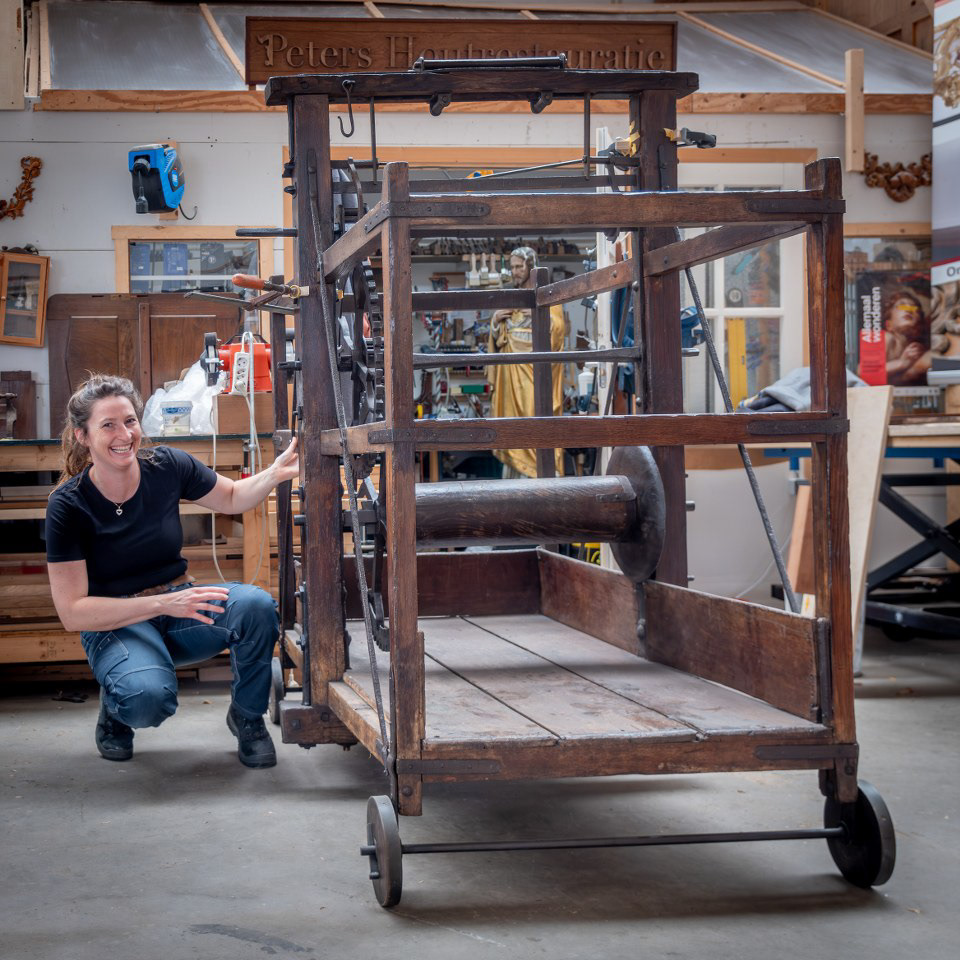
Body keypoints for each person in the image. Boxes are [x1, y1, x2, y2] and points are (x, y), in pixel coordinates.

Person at [45, 374, 299, 769]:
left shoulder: (166, 465)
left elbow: (231, 497)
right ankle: (117, 706)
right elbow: (72, 611)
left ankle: (247, 718)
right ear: (82, 436)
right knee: (147, 701)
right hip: (117, 624)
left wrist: (274, 473)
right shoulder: (68, 505)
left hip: (179, 610)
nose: (123, 434)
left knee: (256, 607)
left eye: (129, 421)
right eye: (108, 425)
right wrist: (166, 603)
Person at [486, 246, 566, 478]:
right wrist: (495, 321)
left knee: (536, 418)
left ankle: (541, 476)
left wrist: (541, 315)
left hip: (537, 375)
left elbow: (559, 332)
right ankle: (515, 476)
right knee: (514, 425)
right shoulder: (511, 298)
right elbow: (500, 338)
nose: (515, 271)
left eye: (519, 266)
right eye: (512, 267)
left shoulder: (549, 295)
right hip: (511, 378)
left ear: (531, 266)